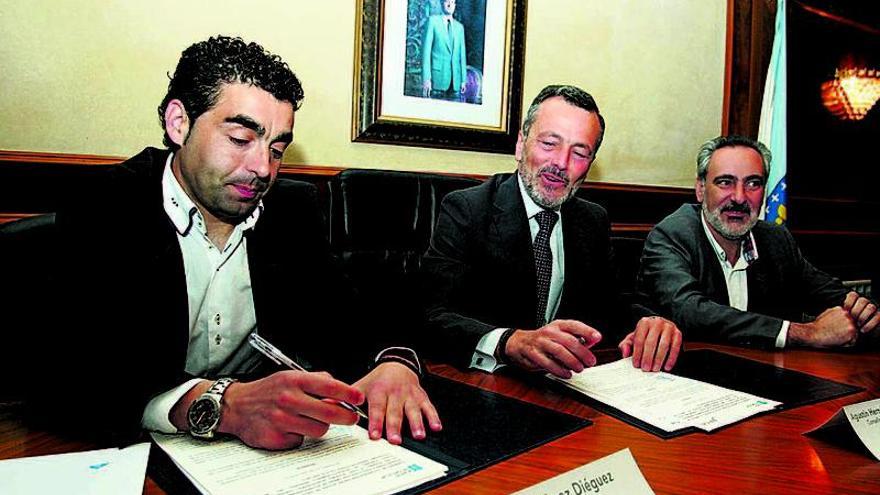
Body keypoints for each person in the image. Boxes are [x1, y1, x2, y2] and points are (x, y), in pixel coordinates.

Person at [38, 36, 440, 449]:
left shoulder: (291, 209)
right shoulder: (105, 204)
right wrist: (217, 404)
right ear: (179, 123)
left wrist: (394, 361)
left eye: (278, 149)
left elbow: (348, 315)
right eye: (240, 140)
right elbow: (67, 379)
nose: (262, 168)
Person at [421, 85, 682, 378]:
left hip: (563, 387)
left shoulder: (592, 220)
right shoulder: (467, 209)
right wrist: (509, 341)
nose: (561, 163)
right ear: (521, 145)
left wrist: (650, 322)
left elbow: (613, 305)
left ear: (590, 165)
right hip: (484, 382)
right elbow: (432, 316)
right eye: (549, 144)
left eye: (580, 152)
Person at [639, 135, 879, 348]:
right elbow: (691, 312)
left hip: (766, 378)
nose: (740, 197)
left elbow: (823, 290)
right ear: (701, 188)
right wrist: (806, 333)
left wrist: (860, 310)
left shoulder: (775, 239)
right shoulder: (672, 235)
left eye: (753, 183)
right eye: (725, 182)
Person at [421, 0, 467, 101]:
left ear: (455, 5)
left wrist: (463, 80)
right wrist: (426, 79)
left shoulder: (460, 27)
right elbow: (426, 53)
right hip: (436, 81)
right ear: (442, 3)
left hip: (455, 82)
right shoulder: (432, 21)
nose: (450, 5)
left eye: (452, 2)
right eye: (447, 2)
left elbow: (462, 56)